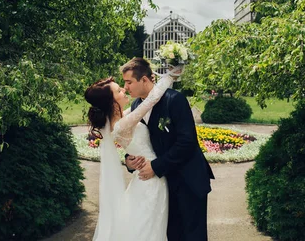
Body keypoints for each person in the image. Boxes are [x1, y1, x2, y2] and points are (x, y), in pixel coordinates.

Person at [121, 58, 214, 241]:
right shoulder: (136, 106)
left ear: (145, 80)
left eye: (129, 82)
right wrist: (129, 160)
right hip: (163, 185)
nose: (126, 87)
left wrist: (155, 167)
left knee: (193, 236)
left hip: (188, 180)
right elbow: (141, 141)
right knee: (172, 235)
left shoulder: (174, 100)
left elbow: (186, 142)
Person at [86, 73, 173, 240]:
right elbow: (150, 101)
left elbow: (142, 104)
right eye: (119, 90)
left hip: (142, 181)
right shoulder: (121, 125)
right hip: (151, 181)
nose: (124, 90)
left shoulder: (121, 119)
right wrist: (170, 76)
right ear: (112, 102)